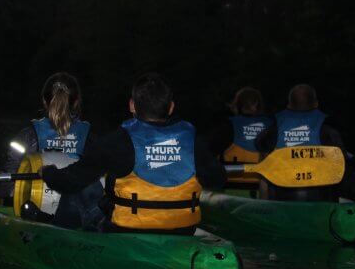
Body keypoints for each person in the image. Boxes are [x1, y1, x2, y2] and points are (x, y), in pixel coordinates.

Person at [42, 73, 227, 235]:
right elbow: (217, 179)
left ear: (132, 105)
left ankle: (58, 236)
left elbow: (69, 181)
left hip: (126, 230)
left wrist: (48, 173)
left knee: (84, 189)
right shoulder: (192, 140)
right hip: (183, 229)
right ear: (171, 107)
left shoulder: (116, 141)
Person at [0, 72, 103, 230]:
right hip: (78, 212)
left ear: (44, 101)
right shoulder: (91, 138)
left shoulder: (26, 137)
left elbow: (4, 190)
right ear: (77, 102)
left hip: (37, 209)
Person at [254, 83, 355, 201]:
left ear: (289, 105)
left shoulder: (271, 133)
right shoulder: (330, 134)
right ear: (316, 104)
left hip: (281, 200)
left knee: (265, 162)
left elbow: (261, 152)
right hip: (320, 203)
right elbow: (347, 187)